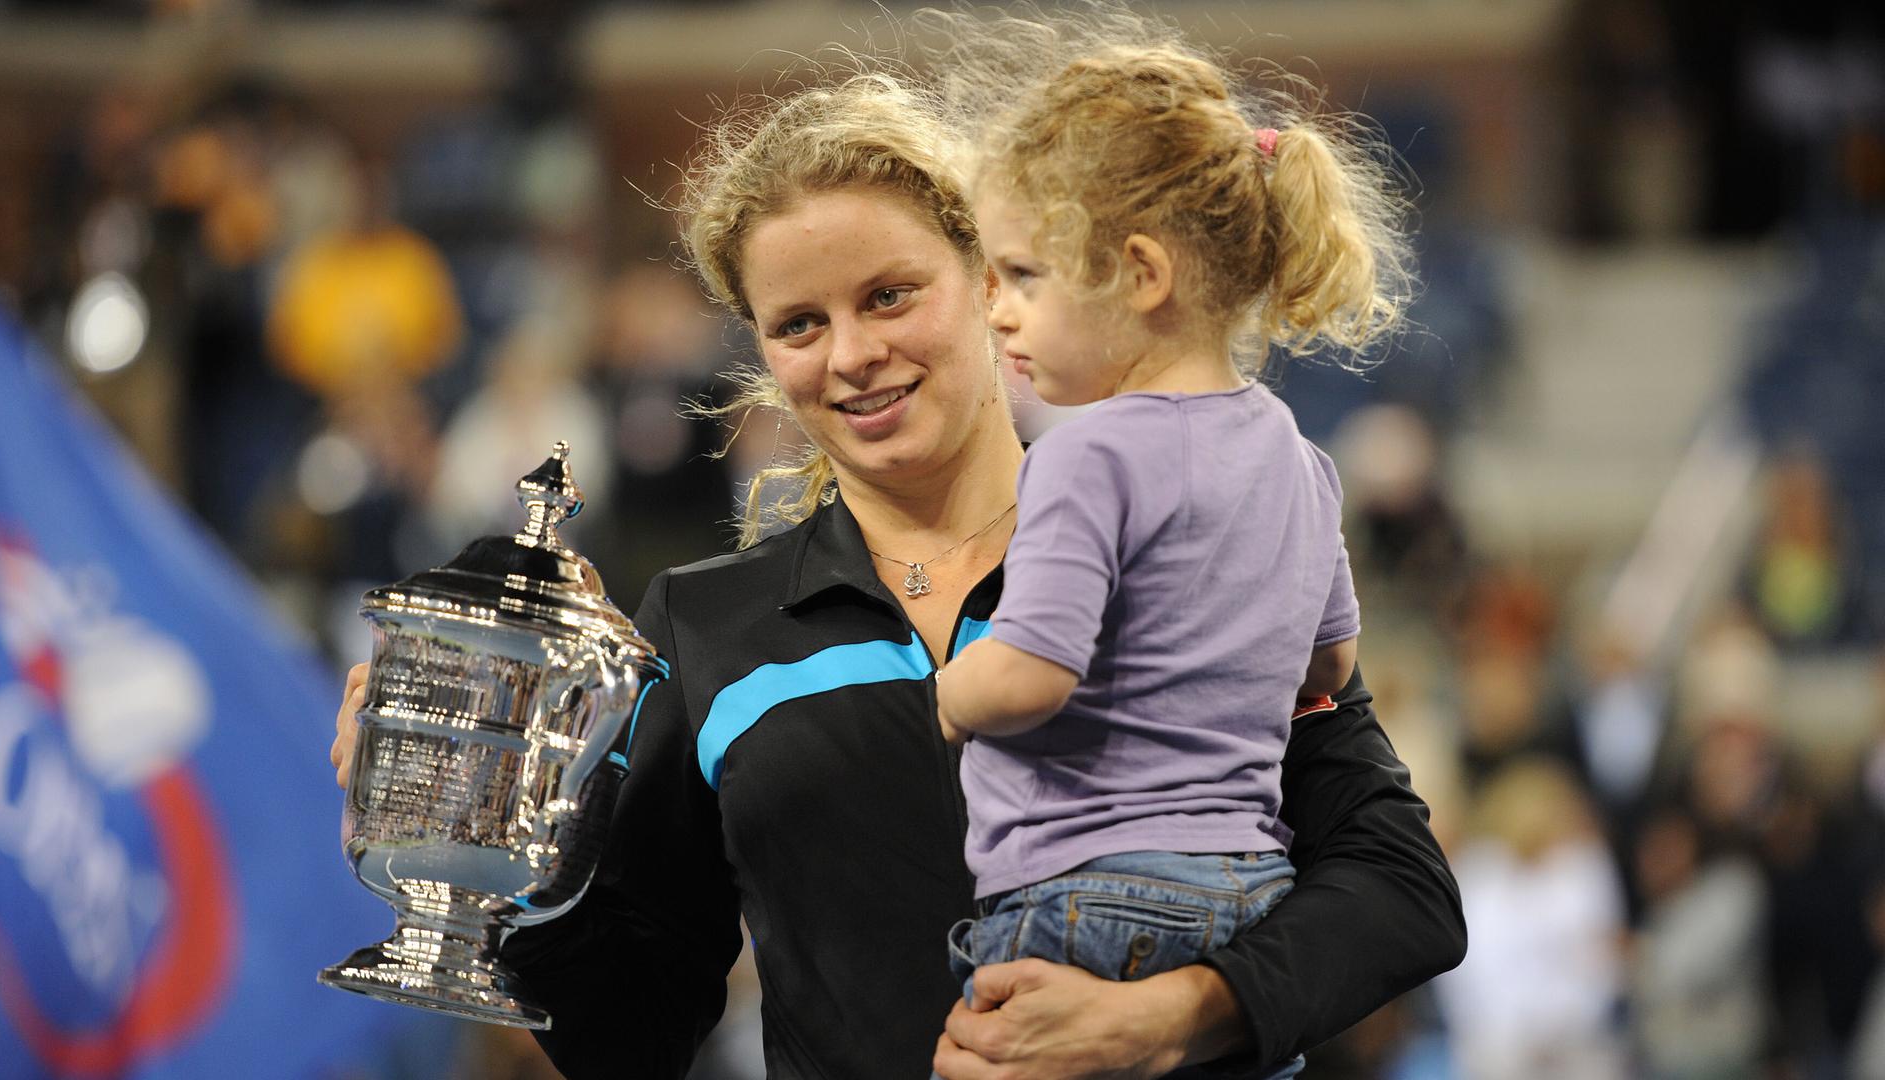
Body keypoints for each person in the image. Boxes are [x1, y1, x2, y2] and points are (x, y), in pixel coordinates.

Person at [331, 67, 1461, 1080]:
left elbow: (1401, 895)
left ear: (990, 280)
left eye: (888, 295)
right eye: (797, 324)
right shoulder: (708, 625)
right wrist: (488, 856)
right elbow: (633, 1033)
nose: (852, 355)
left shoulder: (1175, 535)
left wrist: (1169, 1019)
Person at [923, 17, 1409, 1076]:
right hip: (1248, 900)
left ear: (1140, 274)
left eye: (1021, 275)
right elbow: (1327, 671)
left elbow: (1037, 672)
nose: (996, 312)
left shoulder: (1086, 453)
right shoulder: (1299, 456)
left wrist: (948, 692)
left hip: (1079, 899)